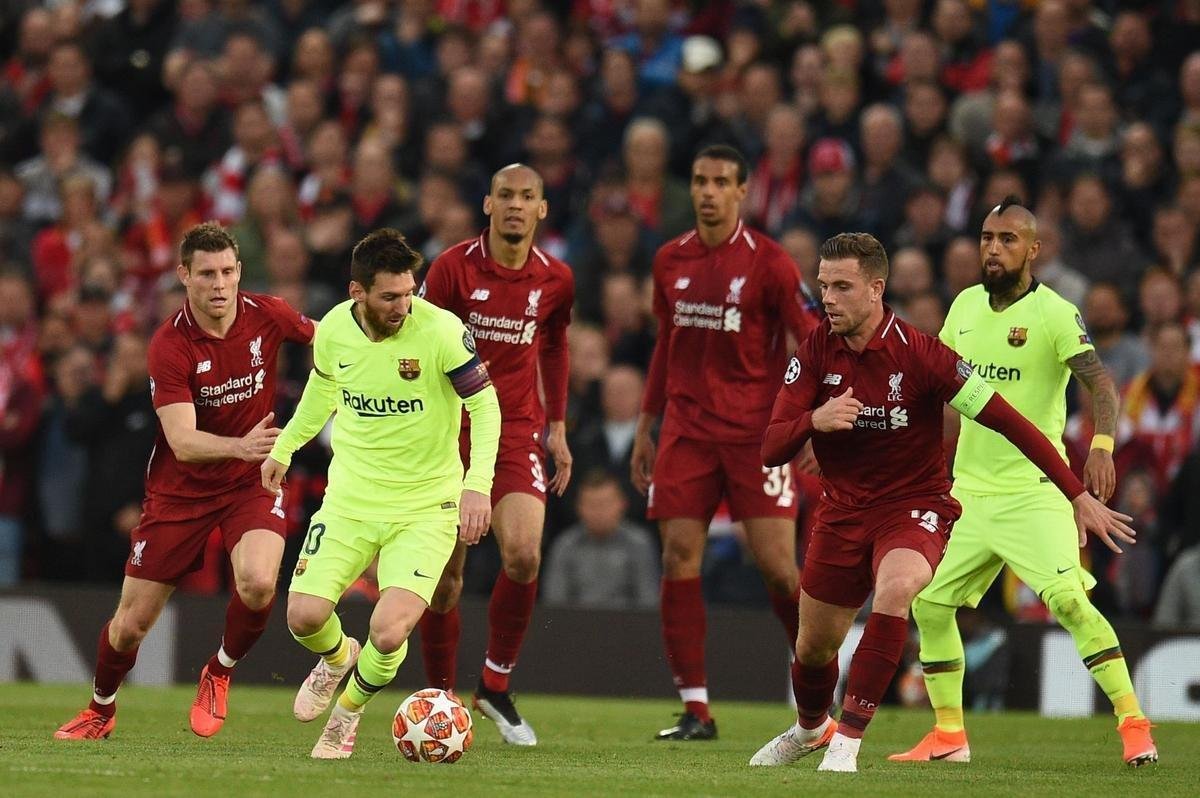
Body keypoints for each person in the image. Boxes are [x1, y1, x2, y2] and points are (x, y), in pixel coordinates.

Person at [749, 232, 1135, 773]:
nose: (828, 298)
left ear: (876, 289)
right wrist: (814, 420)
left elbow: (1011, 422)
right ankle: (812, 728)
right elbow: (770, 447)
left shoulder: (924, 355)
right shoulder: (815, 349)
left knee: (900, 586)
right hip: (843, 511)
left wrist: (1075, 494)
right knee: (814, 648)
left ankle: (847, 744)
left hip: (915, 504)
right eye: (823, 286)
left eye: (842, 286)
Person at [890, 197, 1158, 767]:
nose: (993, 248)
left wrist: (1103, 448)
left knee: (1067, 600)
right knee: (931, 604)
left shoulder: (1055, 313)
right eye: (987, 237)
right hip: (968, 493)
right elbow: (933, 386)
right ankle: (949, 735)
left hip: (1035, 491)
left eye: (1008, 239)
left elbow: (1102, 385)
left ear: (1033, 250)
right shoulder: (963, 306)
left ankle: (1134, 724)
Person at [54, 222, 316, 740]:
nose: (219, 284)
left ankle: (218, 671)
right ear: (184, 276)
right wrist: (240, 445)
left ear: (240, 271)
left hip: (250, 480)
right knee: (131, 624)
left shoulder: (271, 315)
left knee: (260, 582)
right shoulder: (169, 344)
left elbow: (333, 341)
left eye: (227, 272)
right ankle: (100, 709)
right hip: (181, 493)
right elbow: (182, 441)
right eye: (206, 274)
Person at [261, 228, 501, 760]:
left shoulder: (441, 331)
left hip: (425, 505)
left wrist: (476, 487)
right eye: (390, 296)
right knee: (302, 617)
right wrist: (286, 447)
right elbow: (323, 389)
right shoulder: (332, 333)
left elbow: (485, 407)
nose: (403, 305)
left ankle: (346, 715)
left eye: (409, 292)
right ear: (357, 293)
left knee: (389, 631)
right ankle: (337, 656)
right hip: (350, 499)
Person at [630, 144, 819, 740]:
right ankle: (696, 708)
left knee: (780, 571)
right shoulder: (669, 260)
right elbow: (666, 343)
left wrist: (808, 417)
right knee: (678, 556)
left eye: (720, 182)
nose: (708, 191)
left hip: (755, 435)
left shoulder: (770, 263)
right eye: (699, 180)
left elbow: (808, 338)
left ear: (743, 191)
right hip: (686, 431)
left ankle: (815, 703)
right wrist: (645, 422)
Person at [415, 163, 574, 746]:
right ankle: (439, 698)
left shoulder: (556, 279)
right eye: (504, 194)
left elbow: (554, 345)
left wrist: (557, 425)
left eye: (526, 196)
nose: (514, 205)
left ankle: (494, 685)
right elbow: (418, 341)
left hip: (512, 433)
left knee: (525, 555)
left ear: (541, 209)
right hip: (449, 433)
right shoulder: (451, 269)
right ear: (487, 204)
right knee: (446, 582)